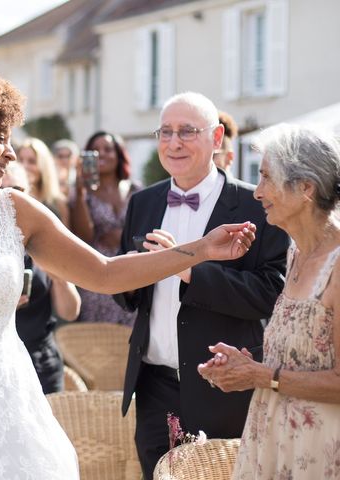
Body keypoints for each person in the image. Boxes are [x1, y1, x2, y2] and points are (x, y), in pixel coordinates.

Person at [0, 68, 255, 479]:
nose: (10, 152)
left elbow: (106, 272)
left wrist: (198, 251)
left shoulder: (18, 212)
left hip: (6, 411)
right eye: (0, 138)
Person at [114, 92, 290, 480]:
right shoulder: (142, 202)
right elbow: (124, 294)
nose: (174, 142)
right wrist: (133, 271)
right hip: (153, 386)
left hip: (224, 388)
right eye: (166, 132)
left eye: (187, 132)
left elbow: (271, 293)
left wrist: (187, 266)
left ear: (216, 138)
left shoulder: (255, 204)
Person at [198, 124, 340, 479]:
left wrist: (261, 375)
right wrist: (244, 365)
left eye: (266, 179)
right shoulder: (295, 253)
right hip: (274, 438)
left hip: (320, 450)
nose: (258, 192)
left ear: (306, 187)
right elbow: (303, 358)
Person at [2, 161, 81, 394]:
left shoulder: (43, 240)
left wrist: (59, 277)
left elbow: (70, 312)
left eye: (17, 191)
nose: (10, 200)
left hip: (41, 362)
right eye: (1, 192)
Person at [70, 130, 140, 326]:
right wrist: (80, 191)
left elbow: (147, 228)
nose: (102, 154)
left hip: (130, 272)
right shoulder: (82, 194)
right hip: (97, 273)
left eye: (108, 149)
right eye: (95, 150)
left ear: (119, 154)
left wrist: (124, 237)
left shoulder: (136, 190)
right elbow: (84, 236)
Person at [17, 136, 70, 227]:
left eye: (32, 161)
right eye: (20, 160)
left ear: (44, 166)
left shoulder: (58, 202)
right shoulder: (12, 198)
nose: (24, 166)